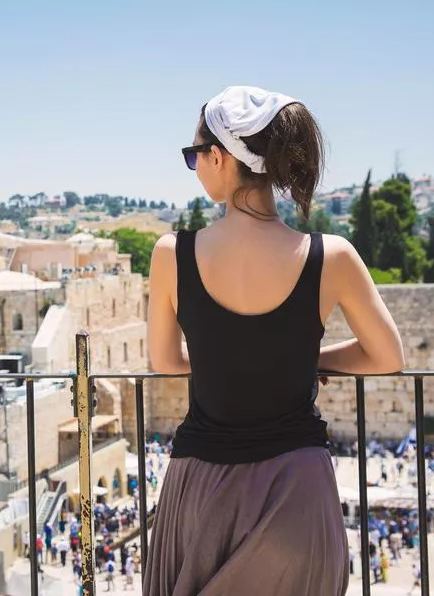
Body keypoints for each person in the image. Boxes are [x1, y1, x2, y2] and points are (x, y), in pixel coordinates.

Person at [143, 85, 406, 596]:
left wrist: (227, 359)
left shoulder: (170, 253)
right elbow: (387, 356)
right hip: (298, 491)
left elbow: (165, 360)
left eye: (194, 154)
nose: (195, 165)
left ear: (218, 156)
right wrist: (304, 361)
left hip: (203, 490)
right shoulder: (332, 256)